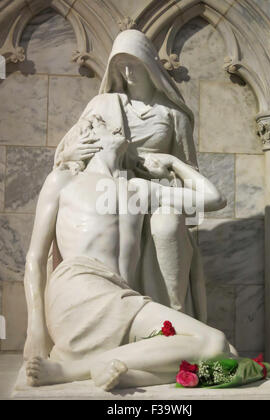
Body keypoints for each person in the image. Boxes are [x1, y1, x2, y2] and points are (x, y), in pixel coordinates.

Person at [24, 117, 233, 390]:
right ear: (86, 137)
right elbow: (35, 259)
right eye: (102, 121)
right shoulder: (64, 180)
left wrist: (173, 162)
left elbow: (213, 199)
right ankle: (71, 369)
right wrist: (35, 328)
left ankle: (127, 376)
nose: (117, 123)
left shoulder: (138, 189)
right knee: (211, 346)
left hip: (123, 298)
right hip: (79, 289)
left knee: (219, 346)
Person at [53, 29, 218, 320]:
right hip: (108, 190)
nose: (127, 71)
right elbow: (69, 151)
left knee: (167, 229)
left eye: (133, 62)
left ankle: (174, 320)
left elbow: (189, 170)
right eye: (121, 65)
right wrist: (69, 155)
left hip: (156, 194)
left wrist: (165, 165)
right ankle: (114, 316)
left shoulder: (174, 115)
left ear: (149, 63)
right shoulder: (103, 104)